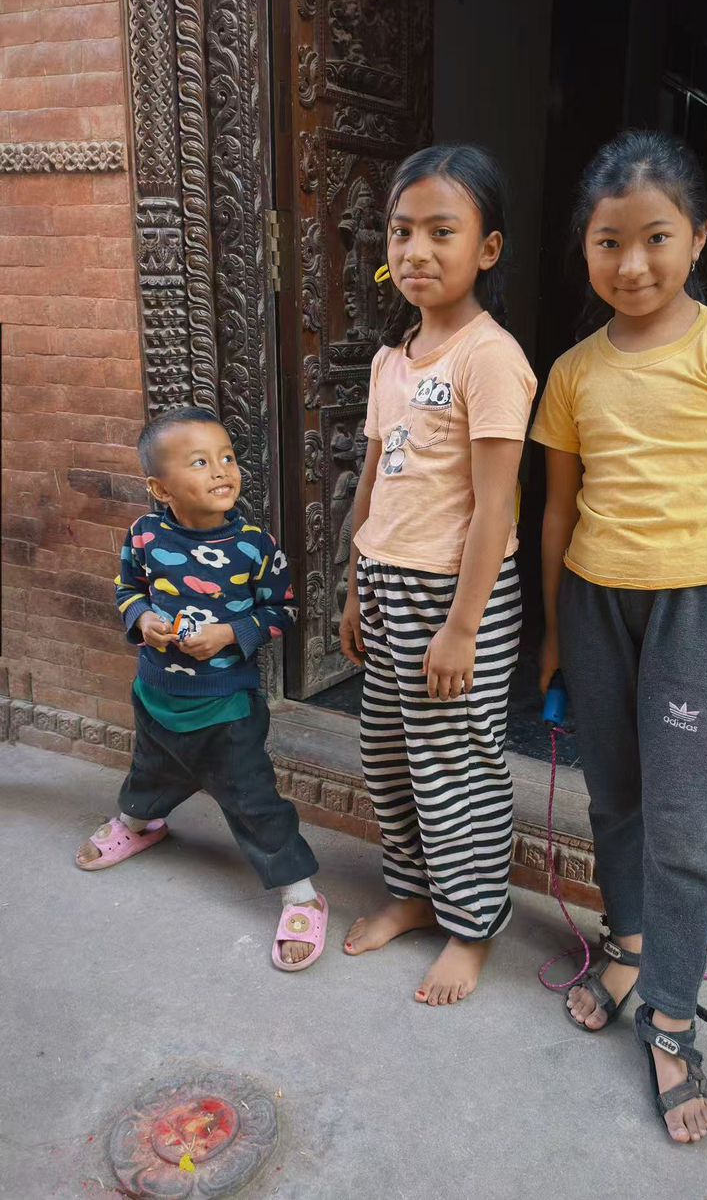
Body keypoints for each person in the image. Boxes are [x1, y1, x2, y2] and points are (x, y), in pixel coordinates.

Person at [532, 130, 707, 1142]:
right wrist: (554, 631)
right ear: (585, 248)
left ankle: (674, 1018)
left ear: (698, 238)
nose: (632, 263)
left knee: (683, 825)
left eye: (655, 238)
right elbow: (557, 511)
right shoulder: (572, 371)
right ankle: (629, 945)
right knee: (617, 799)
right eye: (609, 242)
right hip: (596, 605)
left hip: (699, 610)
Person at [339, 145, 537, 1005]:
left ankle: (471, 923)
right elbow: (372, 484)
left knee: (456, 763)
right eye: (402, 231)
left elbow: (495, 508)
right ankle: (416, 893)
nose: (416, 250)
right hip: (386, 585)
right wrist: (354, 587)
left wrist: (462, 626)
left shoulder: (489, 358)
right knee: (389, 753)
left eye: (441, 232)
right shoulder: (392, 359)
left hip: (456, 598)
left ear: (487, 249)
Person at [75, 406, 328, 971]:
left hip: (227, 704)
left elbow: (283, 610)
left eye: (227, 457)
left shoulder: (255, 545)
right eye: (199, 462)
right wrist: (142, 618)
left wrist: (230, 634)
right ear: (159, 488)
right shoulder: (144, 535)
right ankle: (139, 823)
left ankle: (300, 894)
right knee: (150, 768)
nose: (221, 471)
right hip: (155, 691)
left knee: (252, 801)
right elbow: (127, 588)